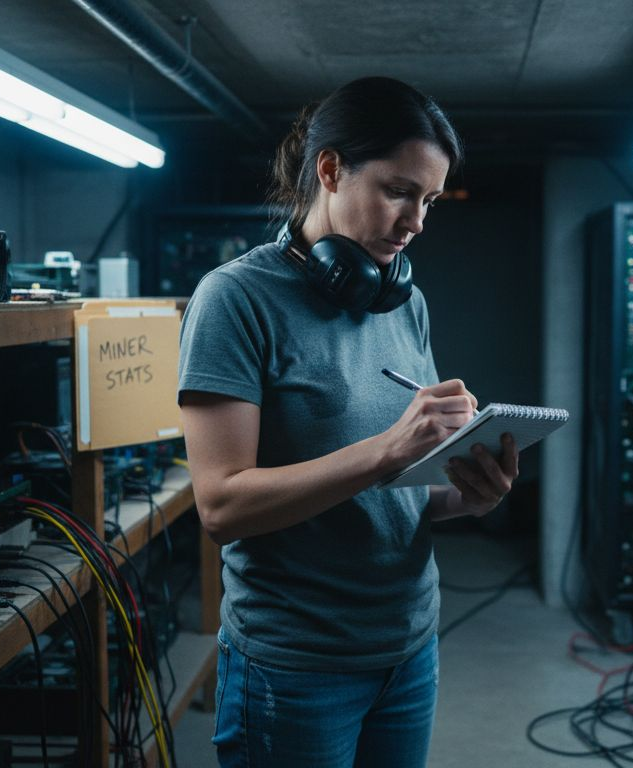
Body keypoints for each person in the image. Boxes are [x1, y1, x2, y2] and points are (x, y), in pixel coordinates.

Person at [177, 76, 519, 768]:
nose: (417, 220)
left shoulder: (404, 301)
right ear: (330, 169)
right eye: (399, 191)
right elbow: (220, 506)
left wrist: (464, 495)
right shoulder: (234, 300)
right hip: (296, 668)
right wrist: (387, 449)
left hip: (409, 648)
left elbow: (399, 491)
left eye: (428, 200)